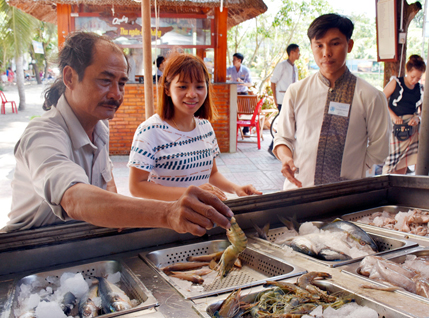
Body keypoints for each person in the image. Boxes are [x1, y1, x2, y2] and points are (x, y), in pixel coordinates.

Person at [3, 32, 233, 235]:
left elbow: (108, 184)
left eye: (121, 83)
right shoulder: (42, 135)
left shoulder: (100, 127)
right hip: (30, 247)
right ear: (70, 78)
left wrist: (119, 216)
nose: (116, 94)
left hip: (83, 241)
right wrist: (167, 213)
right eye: (105, 81)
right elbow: (74, 198)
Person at [273, 13, 391, 191]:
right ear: (312, 47)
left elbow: (379, 148)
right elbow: (283, 137)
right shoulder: (296, 91)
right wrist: (286, 158)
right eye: (319, 45)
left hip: (346, 196)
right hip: (298, 192)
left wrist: (354, 167)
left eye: (335, 44)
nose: (326, 52)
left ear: (349, 45)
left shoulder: (371, 96)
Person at [128, 52, 262, 201]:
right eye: (183, 86)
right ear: (167, 90)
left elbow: (212, 174)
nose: (192, 94)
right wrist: (190, 192)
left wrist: (236, 188)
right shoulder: (149, 131)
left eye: (199, 86)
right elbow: (136, 186)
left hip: (201, 216)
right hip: (168, 218)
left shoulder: (205, 127)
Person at [382, 55, 426, 174]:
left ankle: (399, 187)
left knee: (404, 161)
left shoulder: (420, 88)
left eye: (418, 78)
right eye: (412, 77)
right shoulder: (396, 83)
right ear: (407, 71)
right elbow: (381, 100)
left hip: (411, 127)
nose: (414, 81)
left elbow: (422, 111)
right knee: (391, 161)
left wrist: (417, 118)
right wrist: (393, 116)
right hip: (395, 125)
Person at [268, 43, 301, 157]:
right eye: (298, 52)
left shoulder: (294, 68)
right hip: (282, 99)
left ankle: (275, 147)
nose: (299, 54)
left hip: (293, 100)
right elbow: (273, 82)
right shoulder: (282, 66)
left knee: (289, 123)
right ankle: (274, 147)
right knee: (284, 123)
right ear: (292, 52)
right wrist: (275, 99)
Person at [227, 53, 253, 134]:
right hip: (233, 93)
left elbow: (250, 84)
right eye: (233, 59)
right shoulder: (230, 69)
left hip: (243, 93)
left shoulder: (246, 70)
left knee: (246, 110)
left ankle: (246, 130)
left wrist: (242, 83)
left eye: (234, 59)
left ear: (239, 60)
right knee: (231, 110)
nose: (233, 61)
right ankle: (233, 129)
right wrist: (227, 78)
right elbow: (222, 75)